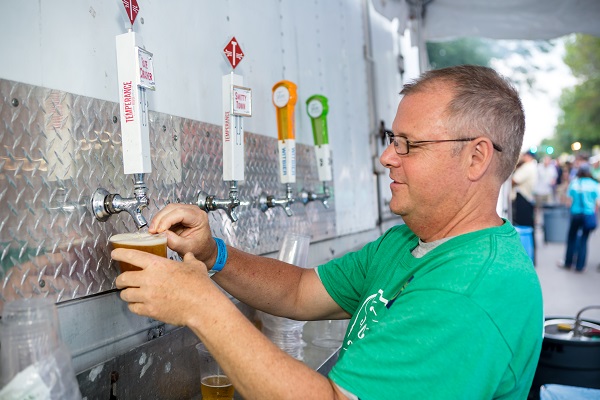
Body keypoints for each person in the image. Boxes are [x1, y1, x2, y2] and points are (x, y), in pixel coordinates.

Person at [113, 65, 543, 399]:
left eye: (408, 144)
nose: (385, 158)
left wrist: (202, 308)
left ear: (476, 157)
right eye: (393, 139)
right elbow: (299, 290)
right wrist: (211, 255)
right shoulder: (408, 243)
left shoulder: (468, 291)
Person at [560, 164, 600, 272]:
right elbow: (597, 203)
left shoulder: (574, 183)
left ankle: (568, 262)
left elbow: (568, 202)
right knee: (584, 239)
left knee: (572, 237)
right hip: (588, 214)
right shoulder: (594, 185)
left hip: (575, 214)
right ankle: (580, 266)